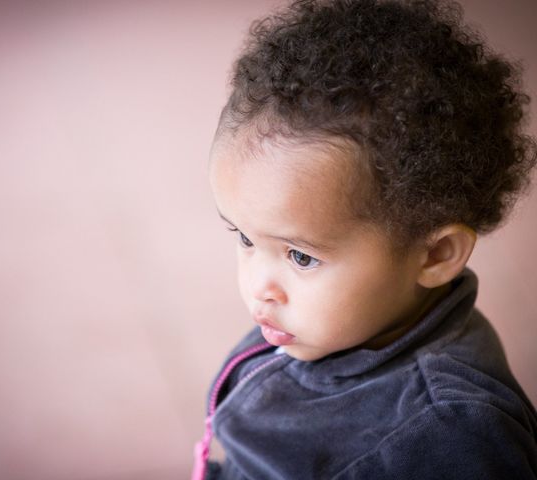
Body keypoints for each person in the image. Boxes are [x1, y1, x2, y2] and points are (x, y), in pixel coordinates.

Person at [191, 0, 537, 478]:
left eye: (300, 256)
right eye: (245, 238)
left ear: (436, 255)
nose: (259, 285)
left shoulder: (452, 434)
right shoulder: (338, 322)